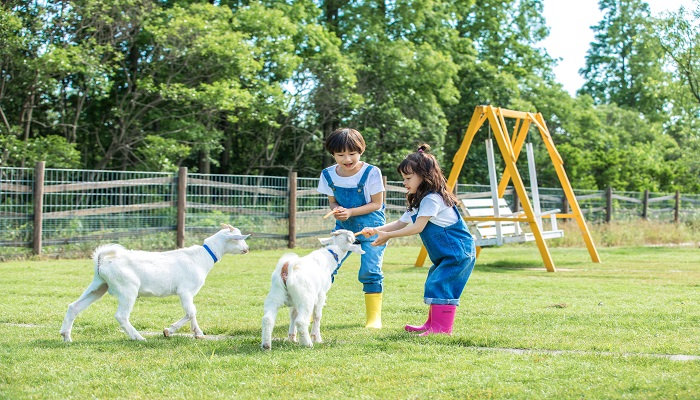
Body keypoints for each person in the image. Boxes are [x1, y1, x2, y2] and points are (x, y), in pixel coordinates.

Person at [360, 144, 475, 335]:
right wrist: (376, 230)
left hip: (457, 252)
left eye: (408, 178)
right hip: (446, 253)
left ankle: (441, 329)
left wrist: (388, 236)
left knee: (441, 284)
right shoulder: (420, 200)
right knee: (435, 281)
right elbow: (400, 223)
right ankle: (432, 324)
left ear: (424, 176)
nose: (404, 182)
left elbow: (417, 227)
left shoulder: (432, 199)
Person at [317, 127, 387, 329]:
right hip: (343, 232)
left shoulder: (372, 172)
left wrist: (351, 212)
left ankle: (373, 318)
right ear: (333, 154)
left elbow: (377, 204)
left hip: (372, 228)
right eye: (340, 155)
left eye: (352, 154)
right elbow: (332, 202)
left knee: (370, 270)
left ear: (361, 151)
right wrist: (337, 209)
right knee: (326, 268)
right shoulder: (328, 175)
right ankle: (314, 311)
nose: (347, 159)